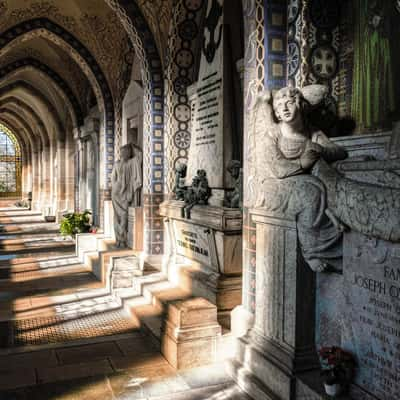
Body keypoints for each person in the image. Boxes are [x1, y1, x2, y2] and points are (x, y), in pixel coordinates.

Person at [251, 86, 400, 272]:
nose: (284, 109)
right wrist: (303, 162)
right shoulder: (273, 134)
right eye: (279, 106)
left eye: (289, 103)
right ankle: (312, 251)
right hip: (275, 184)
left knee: (324, 182)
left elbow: (339, 151)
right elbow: (276, 168)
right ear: (277, 113)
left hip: (305, 178)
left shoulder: (311, 132)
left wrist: (320, 150)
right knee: (310, 192)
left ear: (300, 105)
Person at [111, 144, 142, 248]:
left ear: (129, 153)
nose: (123, 154)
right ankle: (120, 239)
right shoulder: (119, 164)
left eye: (126, 152)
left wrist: (134, 146)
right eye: (123, 152)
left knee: (123, 214)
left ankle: (121, 239)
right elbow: (113, 178)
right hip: (117, 192)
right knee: (119, 215)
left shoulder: (131, 162)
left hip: (122, 192)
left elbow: (140, 156)